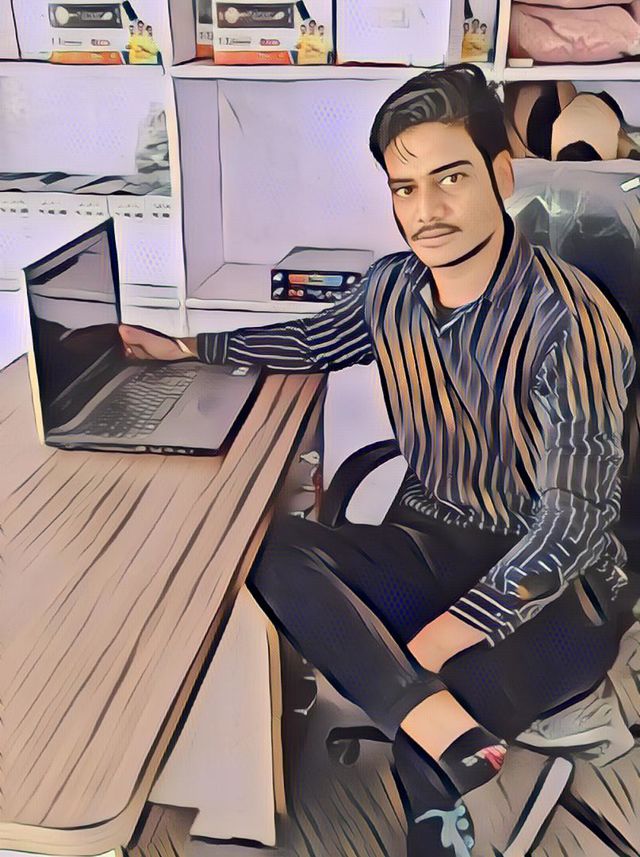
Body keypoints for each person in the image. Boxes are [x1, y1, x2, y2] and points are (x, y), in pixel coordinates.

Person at [119, 66, 635, 855]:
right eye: (405, 188)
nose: (425, 211)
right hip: (433, 541)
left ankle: (436, 763)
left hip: (562, 594)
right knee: (257, 546)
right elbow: (311, 339)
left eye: (450, 178)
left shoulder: (572, 321)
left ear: (501, 175)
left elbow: (572, 525)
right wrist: (190, 347)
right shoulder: (392, 288)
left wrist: (439, 639)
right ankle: (434, 722)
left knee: (427, 723)